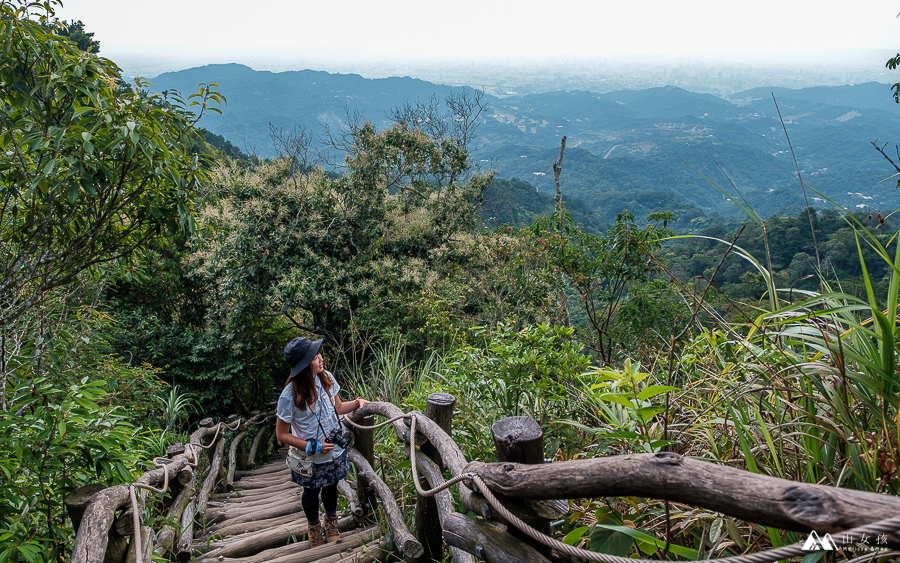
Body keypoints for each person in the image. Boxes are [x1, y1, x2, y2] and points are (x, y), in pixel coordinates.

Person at [275, 337, 369, 548]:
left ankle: (331, 523)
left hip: (333, 451)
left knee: (331, 487)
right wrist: (311, 446)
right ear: (303, 364)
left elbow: (338, 407)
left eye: (318, 354)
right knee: (310, 492)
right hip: (309, 457)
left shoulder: (327, 378)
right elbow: (281, 434)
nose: (320, 358)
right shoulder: (288, 396)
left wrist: (356, 403)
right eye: (314, 357)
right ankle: (314, 527)